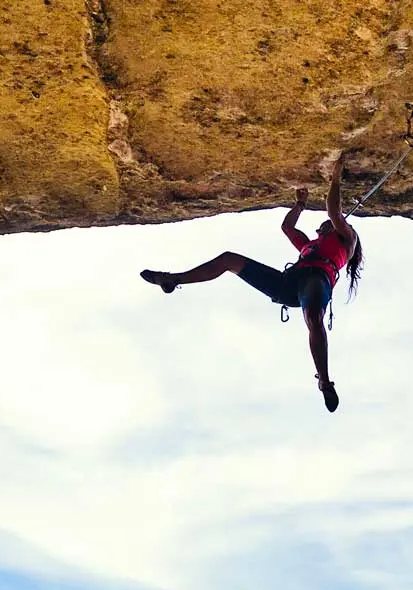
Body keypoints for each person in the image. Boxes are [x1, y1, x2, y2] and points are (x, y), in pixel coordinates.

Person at [140, 151, 362, 412]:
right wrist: (299, 206)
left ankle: (324, 381)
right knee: (228, 259)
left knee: (314, 318)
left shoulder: (347, 239)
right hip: (289, 284)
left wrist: (335, 178)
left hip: (317, 281)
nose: (318, 230)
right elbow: (288, 228)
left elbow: (334, 211)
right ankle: (172, 279)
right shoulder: (310, 247)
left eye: (322, 227)